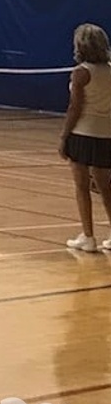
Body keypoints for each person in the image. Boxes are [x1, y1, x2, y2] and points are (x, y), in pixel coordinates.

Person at [60, 23, 111, 252]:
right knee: (106, 187)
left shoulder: (81, 72)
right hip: (106, 135)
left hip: (82, 133)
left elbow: (75, 108)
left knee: (82, 187)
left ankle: (88, 237)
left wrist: (64, 136)